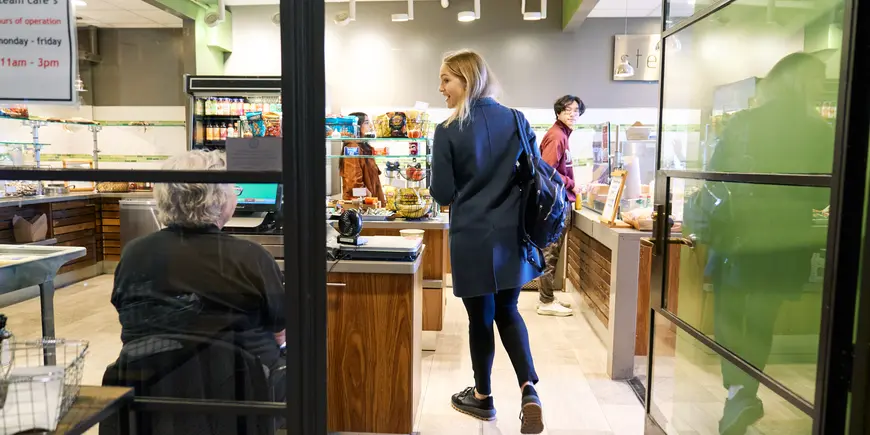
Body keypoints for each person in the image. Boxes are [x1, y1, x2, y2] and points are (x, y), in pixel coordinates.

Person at [689, 52, 832, 434]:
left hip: (737, 239)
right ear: (800, 83)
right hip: (784, 244)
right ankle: (743, 392)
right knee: (762, 321)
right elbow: (821, 196)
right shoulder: (819, 131)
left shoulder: (744, 125)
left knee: (730, 317)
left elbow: (714, 175)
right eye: (817, 81)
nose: (820, 90)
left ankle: (738, 391)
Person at [430, 49, 545, 434]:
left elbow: (442, 193)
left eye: (446, 79)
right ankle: (530, 390)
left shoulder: (446, 131)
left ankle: (483, 397)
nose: (441, 87)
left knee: (480, 319)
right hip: (513, 236)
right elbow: (535, 173)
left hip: (472, 238)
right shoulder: (516, 119)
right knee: (509, 311)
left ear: (466, 79)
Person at [111, 150, 287, 397]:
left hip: (153, 394)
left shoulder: (134, 254)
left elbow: (127, 313)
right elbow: (280, 326)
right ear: (219, 200)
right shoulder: (252, 256)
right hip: (241, 396)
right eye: (233, 190)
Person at [536, 95, 586, 317]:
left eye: (576, 110)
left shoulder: (562, 135)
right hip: (555, 203)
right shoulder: (557, 136)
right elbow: (547, 170)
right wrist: (572, 184)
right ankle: (546, 301)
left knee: (551, 250)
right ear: (558, 112)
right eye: (568, 110)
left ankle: (548, 298)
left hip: (558, 201)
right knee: (551, 251)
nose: (572, 114)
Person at [339, 112, 386, 205]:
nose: (371, 126)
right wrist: (368, 198)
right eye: (367, 122)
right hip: (361, 206)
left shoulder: (364, 147)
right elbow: (354, 184)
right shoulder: (352, 147)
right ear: (357, 126)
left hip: (371, 205)